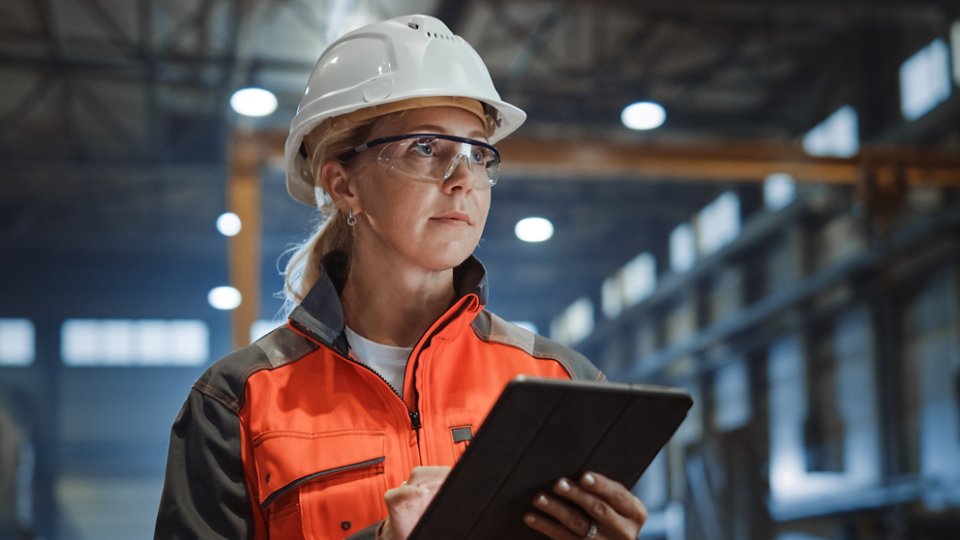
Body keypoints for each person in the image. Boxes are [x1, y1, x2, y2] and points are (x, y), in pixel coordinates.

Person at [154, 13, 648, 540]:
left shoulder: (563, 384)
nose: (462, 180)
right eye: (426, 148)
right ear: (344, 186)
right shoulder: (238, 403)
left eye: (478, 154)